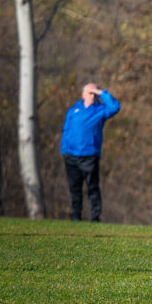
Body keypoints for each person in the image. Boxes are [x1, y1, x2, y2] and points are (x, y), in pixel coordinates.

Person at [60, 83, 121, 222]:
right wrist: (64, 149)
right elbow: (66, 129)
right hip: (71, 155)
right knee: (74, 188)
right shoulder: (73, 110)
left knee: (92, 188)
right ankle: (75, 216)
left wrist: (101, 92)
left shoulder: (101, 110)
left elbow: (115, 107)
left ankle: (95, 217)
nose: (91, 95)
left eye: (94, 93)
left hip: (89, 156)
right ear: (83, 95)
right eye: (89, 92)